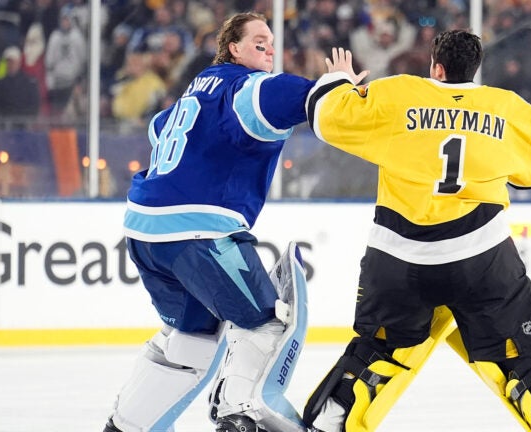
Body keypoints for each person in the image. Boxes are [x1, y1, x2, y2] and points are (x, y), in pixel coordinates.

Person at [302, 31, 531, 432]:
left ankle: (329, 418)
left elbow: (325, 118)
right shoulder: (504, 106)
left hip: (397, 257)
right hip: (482, 256)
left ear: (435, 67)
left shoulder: (400, 93)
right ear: (475, 69)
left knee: (376, 349)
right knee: (521, 357)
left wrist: (339, 81)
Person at [102, 12, 362, 432]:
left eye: (272, 42)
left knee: (190, 342)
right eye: (259, 41)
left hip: (144, 229)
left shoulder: (194, 92)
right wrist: (338, 83)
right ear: (233, 48)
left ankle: (123, 426)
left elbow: (157, 129)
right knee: (266, 322)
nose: (270, 48)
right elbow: (303, 98)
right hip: (198, 232)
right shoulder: (247, 87)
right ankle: (236, 414)